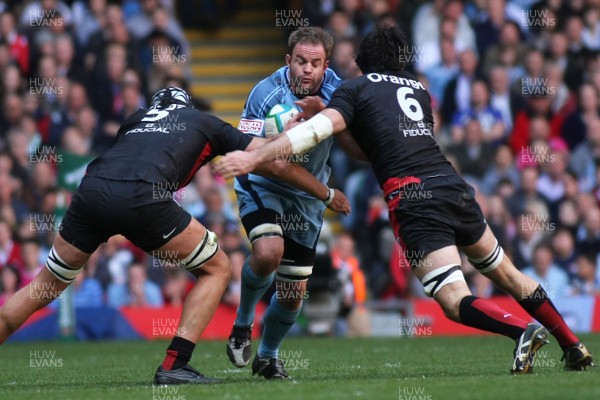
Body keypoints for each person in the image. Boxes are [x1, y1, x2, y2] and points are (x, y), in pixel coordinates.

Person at [215, 25, 595, 373]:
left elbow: (313, 133)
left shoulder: (352, 88)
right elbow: (383, 144)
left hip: (414, 198)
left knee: (451, 298)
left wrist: (255, 154)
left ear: (359, 63)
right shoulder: (418, 90)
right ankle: (573, 346)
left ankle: (520, 331)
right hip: (453, 186)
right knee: (508, 274)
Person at [0, 87, 350, 385]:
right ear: (187, 107)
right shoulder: (203, 122)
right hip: (142, 195)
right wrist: (326, 192)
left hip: (91, 193)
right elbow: (272, 160)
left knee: (45, 285)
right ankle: (174, 364)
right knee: (217, 268)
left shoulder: (135, 120)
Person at [225, 27, 348, 380]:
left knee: (293, 293)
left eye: (315, 63)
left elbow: (354, 134)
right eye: (300, 61)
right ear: (287, 61)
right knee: (267, 253)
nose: (307, 69)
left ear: (325, 66)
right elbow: (252, 151)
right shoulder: (265, 93)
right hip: (263, 182)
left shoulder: (337, 92)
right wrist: (280, 137)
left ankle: (267, 357)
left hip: (306, 197)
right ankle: (243, 323)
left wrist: (325, 113)